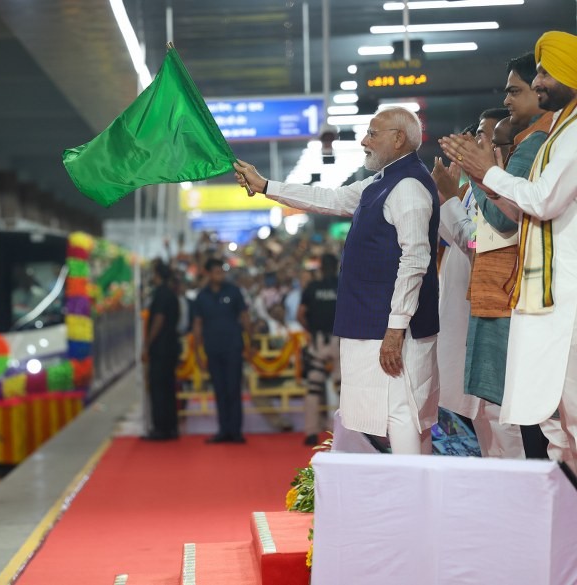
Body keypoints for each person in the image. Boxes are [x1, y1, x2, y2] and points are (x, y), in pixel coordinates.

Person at [235, 106, 440, 455]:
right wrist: (266, 185)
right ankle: (413, 496)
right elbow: (327, 199)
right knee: (399, 416)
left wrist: (395, 327)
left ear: (399, 138)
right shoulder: (382, 182)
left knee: (401, 414)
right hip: (377, 324)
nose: (364, 141)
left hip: (390, 328)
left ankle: (410, 499)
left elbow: (416, 260)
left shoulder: (407, 187)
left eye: (373, 134)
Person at [440, 31, 577, 470]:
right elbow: (525, 213)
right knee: (556, 420)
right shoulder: (560, 132)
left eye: (542, 72)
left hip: (564, 295)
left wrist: (486, 173)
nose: (538, 82)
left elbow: (540, 202)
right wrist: (486, 177)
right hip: (546, 296)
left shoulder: (570, 135)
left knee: (562, 419)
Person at [432, 109, 526, 459]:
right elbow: (457, 239)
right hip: (463, 305)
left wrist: (452, 200)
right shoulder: (478, 187)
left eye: (485, 136)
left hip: (492, 309)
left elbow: (477, 243)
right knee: (481, 413)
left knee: (501, 417)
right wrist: (449, 198)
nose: (477, 143)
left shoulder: (506, 191)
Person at [193, 257, 253, 444]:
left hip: (233, 347)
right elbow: (197, 325)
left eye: (221, 271)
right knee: (219, 390)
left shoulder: (234, 291)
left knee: (233, 389)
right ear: (208, 274)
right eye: (216, 272)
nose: (220, 275)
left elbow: (244, 317)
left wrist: (250, 343)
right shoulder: (202, 296)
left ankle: (235, 431)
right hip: (213, 349)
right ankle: (223, 430)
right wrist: (197, 352)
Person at [297, 253, 340, 446]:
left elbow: (300, 315)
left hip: (317, 342)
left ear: (320, 267)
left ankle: (311, 432)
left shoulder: (312, 288)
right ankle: (345, 433)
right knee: (343, 389)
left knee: (313, 388)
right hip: (340, 341)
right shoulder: (343, 285)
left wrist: (311, 330)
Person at [142, 263, 181, 441]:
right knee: (168, 387)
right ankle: (171, 426)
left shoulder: (161, 294)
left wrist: (148, 344)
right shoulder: (172, 293)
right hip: (171, 345)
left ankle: (161, 428)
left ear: (157, 274)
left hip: (161, 348)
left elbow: (158, 319)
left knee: (158, 387)